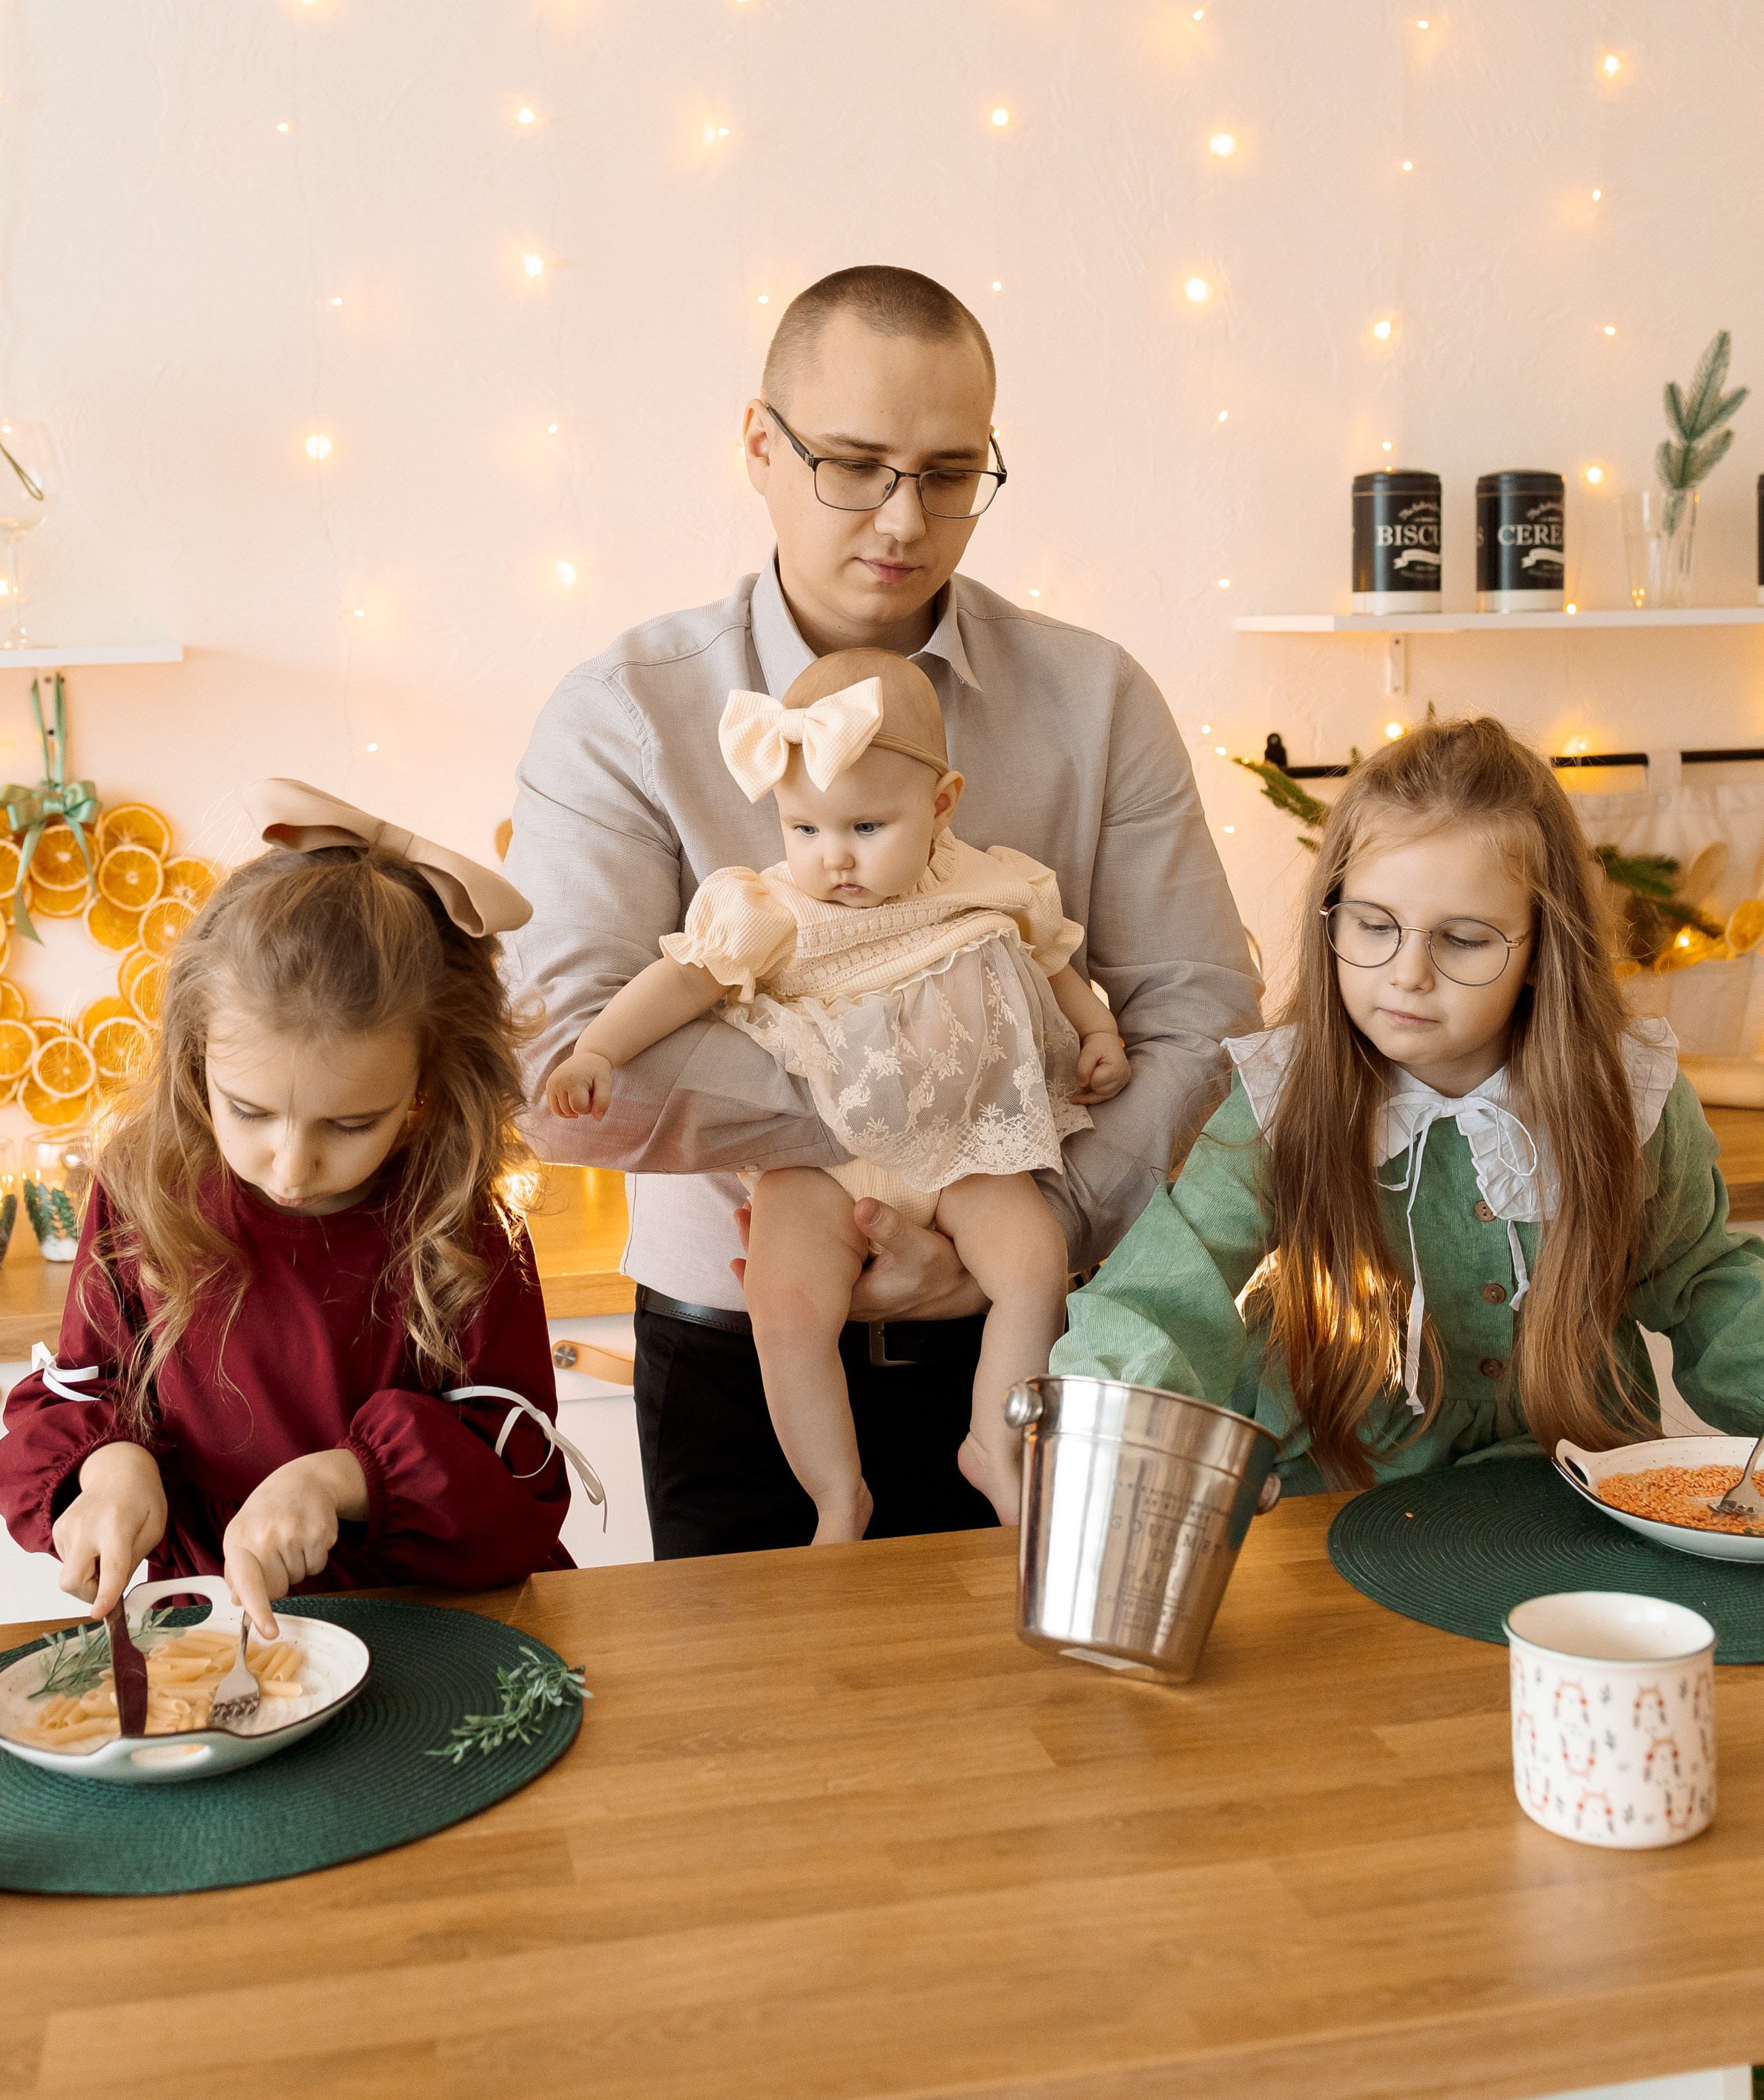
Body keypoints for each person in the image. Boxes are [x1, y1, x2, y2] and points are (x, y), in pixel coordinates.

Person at [508, 263, 1261, 1555]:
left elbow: (1200, 1011)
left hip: (1037, 1324)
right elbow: (557, 1055)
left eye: (951, 473)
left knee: (1061, 1743)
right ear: (760, 443)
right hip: (734, 1354)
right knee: (763, 1749)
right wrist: (921, 1114)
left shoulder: (1098, 699)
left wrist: (1028, 1224)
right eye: (853, 464)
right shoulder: (625, 713)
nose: (903, 519)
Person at [1054, 716, 1764, 1489]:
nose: (1407, 974)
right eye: (1374, 926)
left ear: (1541, 950)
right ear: (1333, 915)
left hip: (1576, 1487)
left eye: (1463, 939)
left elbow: (1702, 1287)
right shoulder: (1287, 1097)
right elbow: (1170, 1289)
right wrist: (1096, 1426)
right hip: (1337, 1493)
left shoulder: (1631, 1099)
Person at [546, 647, 1130, 1536]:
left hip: (966, 1149)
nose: (833, 859)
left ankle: (993, 1443)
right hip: (817, 1163)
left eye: (865, 828)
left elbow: (1056, 965)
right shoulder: (770, 909)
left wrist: (1098, 1034)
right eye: (804, 830)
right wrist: (596, 1050)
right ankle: (834, 1491)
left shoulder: (990, 881)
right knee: (784, 1309)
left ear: (941, 805)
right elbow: (681, 982)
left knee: (1034, 1264)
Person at [0, 780, 595, 1635]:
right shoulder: (141, 1190)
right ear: (195, 1054)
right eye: (250, 1111)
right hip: (213, 1629)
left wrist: (342, 1481)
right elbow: (78, 1393)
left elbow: (523, 1492)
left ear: (427, 1084)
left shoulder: (457, 1219)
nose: (292, 1165)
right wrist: (111, 1469)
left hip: (430, 1625)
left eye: (351, 1124)